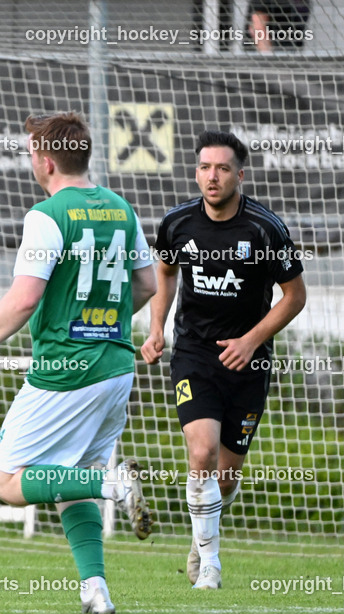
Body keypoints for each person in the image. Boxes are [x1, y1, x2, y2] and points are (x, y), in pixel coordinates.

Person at [0, 112, 157, 614]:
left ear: (45, 160)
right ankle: (96, 589)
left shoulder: (48, 214)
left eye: (31, 152)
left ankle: (113, 484)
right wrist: (106, 324)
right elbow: (148, 287)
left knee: (9, 482)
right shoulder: (121, 208)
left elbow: (25, 297)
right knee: (71, 477)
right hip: (116, 364)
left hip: (66, 370)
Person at [142, 130, 306, 590]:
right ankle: (210, 565)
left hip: (249, 362)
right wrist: (157, 329)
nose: (211, 177)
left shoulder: (264, 228)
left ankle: (201, 540)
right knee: (201, 453)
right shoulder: (176, 224)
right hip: (194, 355)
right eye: (203, 168)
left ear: (240, 174)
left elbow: (294, 297)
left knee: (226, 477)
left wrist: (251, 341)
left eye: (222, 168)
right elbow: (166, 271)